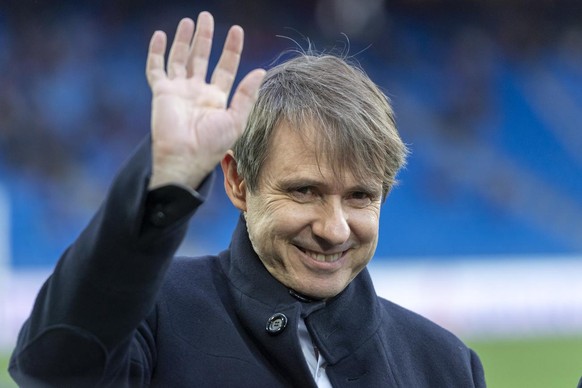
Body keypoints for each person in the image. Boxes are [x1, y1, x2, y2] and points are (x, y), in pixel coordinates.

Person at [9, 11, 486, 387]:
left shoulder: (445, 367)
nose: (335, 228)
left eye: (361, 196)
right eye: (305, 191)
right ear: (238, 181)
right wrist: (166, 180)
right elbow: (53, 370)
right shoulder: (155, 320)